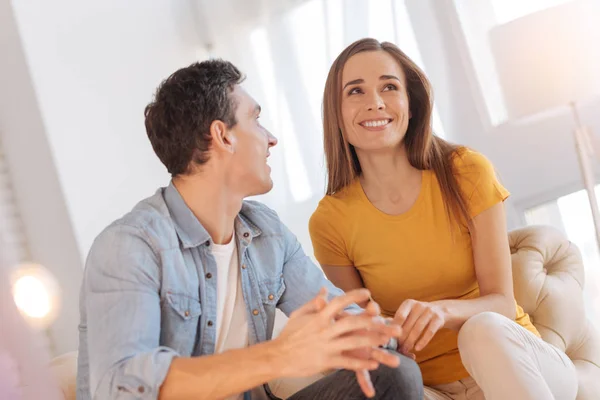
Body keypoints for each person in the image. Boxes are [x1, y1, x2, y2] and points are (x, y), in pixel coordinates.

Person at [76, 59, 424, 400]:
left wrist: (381, 333)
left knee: (394, 374)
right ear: (222, 135)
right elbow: (121, 388)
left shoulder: (264, 233)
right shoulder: (130, 246)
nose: (271, 139)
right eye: (256, 120)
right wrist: (280, 355)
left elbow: (336, 312)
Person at [309, 38, 578, 400]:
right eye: (355, 91)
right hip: (434, 389)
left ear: (411, 102)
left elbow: (500, 300)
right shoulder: (330, 221)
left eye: (389, 86)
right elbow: (364, 326)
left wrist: (441, 311)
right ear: (336, 113)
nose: (375, 101)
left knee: (480, 331)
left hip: (524, 364)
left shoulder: (466, 171)